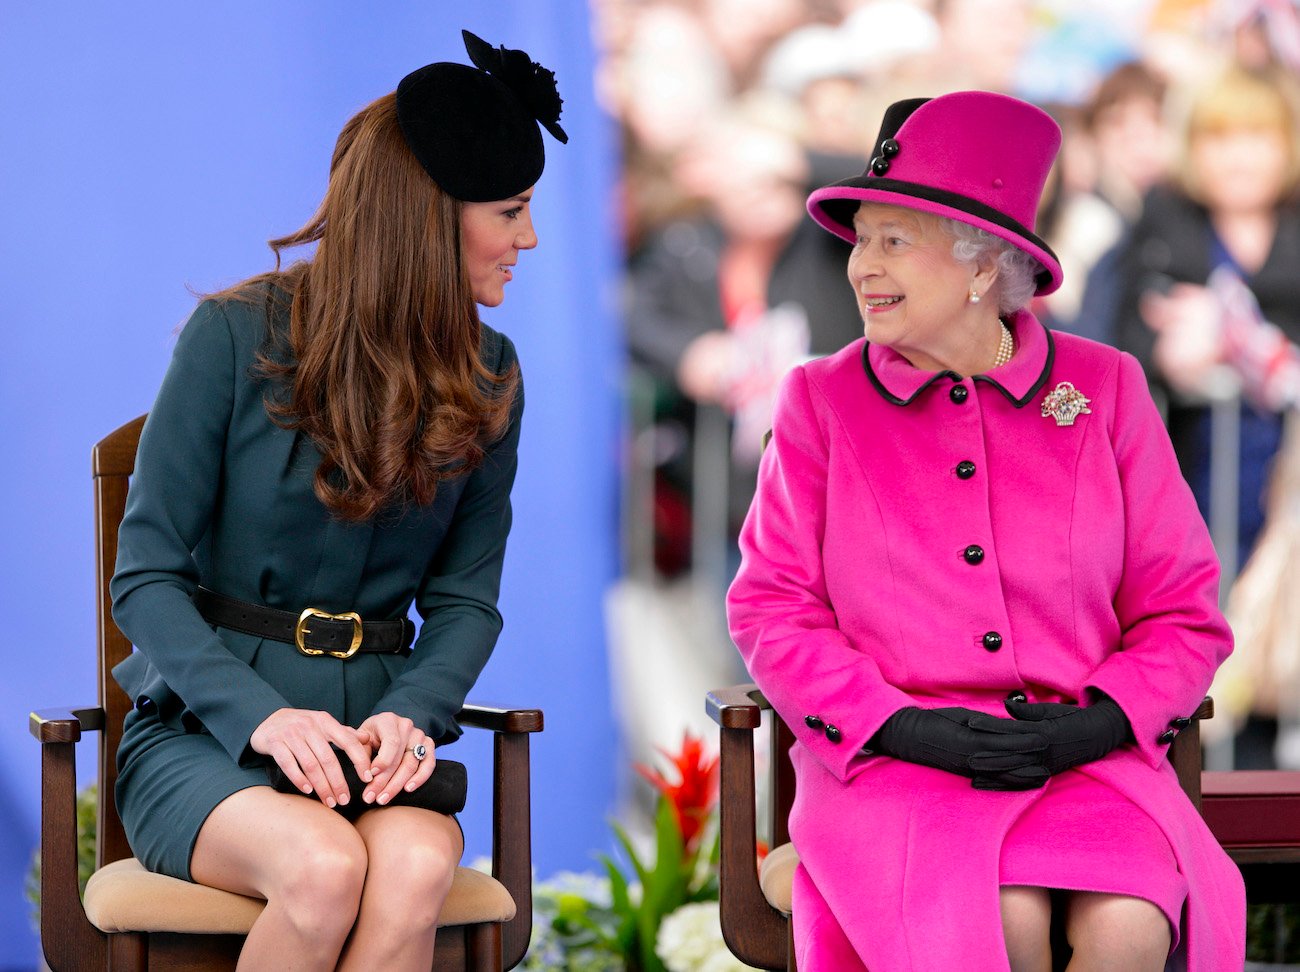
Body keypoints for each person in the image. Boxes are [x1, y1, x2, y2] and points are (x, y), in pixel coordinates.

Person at [726, 91, 1244, 970]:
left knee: (1129, 925)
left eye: (895, 240)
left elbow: (1184, 608)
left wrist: (1101, 720)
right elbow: (772, 611)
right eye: (861, 239)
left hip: (1083, 762)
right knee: (999, 920)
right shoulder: (820, 401)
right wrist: (896, 726)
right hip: (898, 771)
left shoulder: (1105, 388)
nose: (861, 267)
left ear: (980, 266)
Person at [108, 30, 565, 970]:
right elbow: (145, 579)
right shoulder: (231, 336)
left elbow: (466, 600)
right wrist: (262, 718)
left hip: (374, 743)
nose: (528, 239)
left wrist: (415, 713)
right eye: (512, 210)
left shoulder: (494, 374)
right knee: (320, 870)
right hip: (208, 735)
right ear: (428, 217)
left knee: (408, 872)